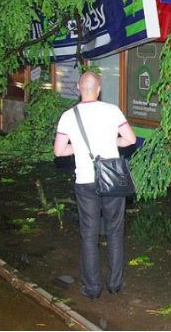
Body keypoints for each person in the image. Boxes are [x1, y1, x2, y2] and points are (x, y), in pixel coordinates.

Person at [53, 71, 136, 299]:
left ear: (79, 88)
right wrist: (112, 142)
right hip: (111, 179)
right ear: (98, 89)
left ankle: (92, 288)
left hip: (85, 182)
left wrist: (77, 149)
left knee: (89, 233)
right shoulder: (112, 111)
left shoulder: (68, 116)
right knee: (115, 231)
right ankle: (115, 284)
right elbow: (130, 139)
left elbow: (59, 151)